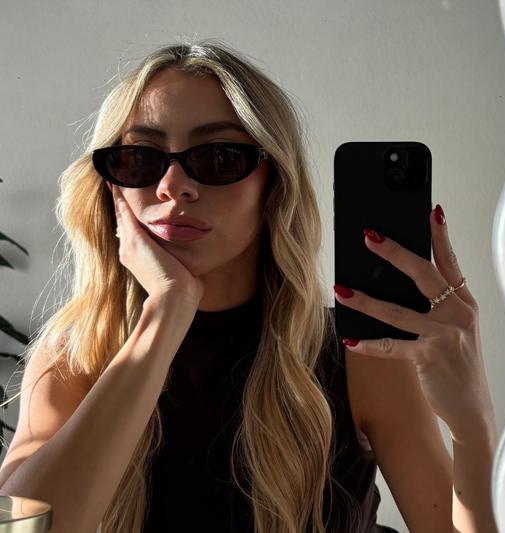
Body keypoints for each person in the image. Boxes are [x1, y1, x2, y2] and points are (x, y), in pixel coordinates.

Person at [0, 40, 408, 533]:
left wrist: (471, 427)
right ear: (112, 187)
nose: (172, 186)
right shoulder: (73, 359)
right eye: (140, 158)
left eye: (219, 157)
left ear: (275, 184)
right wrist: (169, 308)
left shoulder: (357, 353)